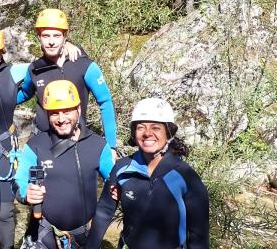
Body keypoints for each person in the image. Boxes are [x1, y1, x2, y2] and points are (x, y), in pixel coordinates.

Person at [0, 26, 80, 249]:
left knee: (6, 208)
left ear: (2, 52)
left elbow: (41, 66)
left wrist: (68, 46)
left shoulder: (13, 72)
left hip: (3, 147)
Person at [86, 98, 209, 249]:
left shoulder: (186, 177)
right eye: (141, 127)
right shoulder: (122, 169)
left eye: (156, 128)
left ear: (168, 132)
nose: (147, 133)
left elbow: (199, 235)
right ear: (134, 132)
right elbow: (104, 212)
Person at [14, 80, 114, 249]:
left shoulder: (97, 146)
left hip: (83, 236)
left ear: (79, 109)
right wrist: (26, 193)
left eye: (67, 111)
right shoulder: (36, 145)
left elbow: (114, 181)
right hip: (44, 233)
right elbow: (18, 182)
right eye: (54, 113)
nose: (61, 119)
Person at [17, 9, 118, 158]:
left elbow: (105, 102)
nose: (51, 41)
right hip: (43, 142)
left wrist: (111, 146)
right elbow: (23, 93)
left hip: (75, 140)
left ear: (65, 37)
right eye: (46, 36)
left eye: (57, 35)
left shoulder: (84, 66)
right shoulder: (34, 69)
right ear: (39, 37)